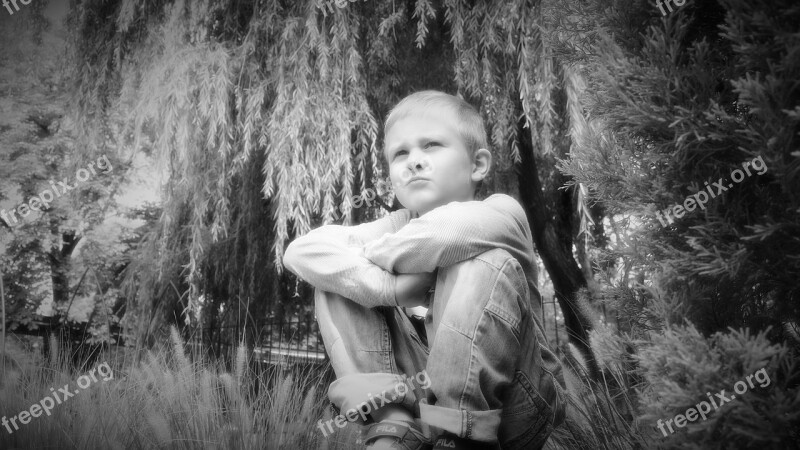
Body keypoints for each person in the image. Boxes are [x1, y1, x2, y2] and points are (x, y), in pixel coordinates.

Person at [283, 90, 566, 450]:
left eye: (431, 145)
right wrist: (395, 290)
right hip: (424, 411)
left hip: (514, 408)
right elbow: (301, 251)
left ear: (478, 165)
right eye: (400, 153)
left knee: (479, 261)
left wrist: (368, 257)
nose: (414, 161)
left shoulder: (501, 214)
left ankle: (461, 439)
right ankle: (392, 421)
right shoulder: (394, 226)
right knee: (334, 278)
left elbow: (443, 234)